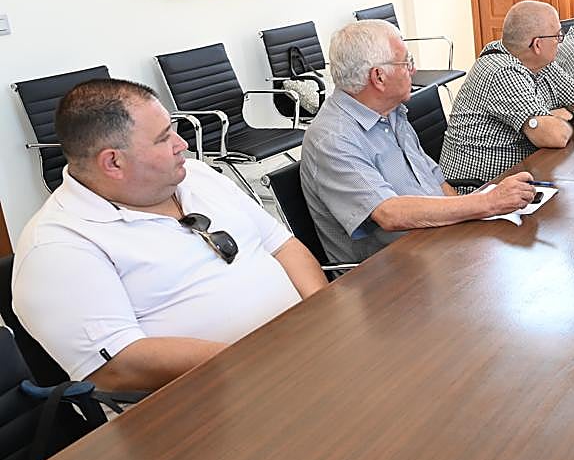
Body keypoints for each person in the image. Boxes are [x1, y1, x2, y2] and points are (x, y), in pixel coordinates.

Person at [10, 79, 326, 392]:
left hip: (298, 357)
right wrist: (260, 361)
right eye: (163, 138)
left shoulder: (198, 176)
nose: (182, 144)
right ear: (113, 162)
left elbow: (283, 246)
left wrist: (324, 316)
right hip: (210, 398)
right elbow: (119, 367)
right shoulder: (56, 247)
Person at [300, 20, 537, 263]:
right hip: (390, 270)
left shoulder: (391, 111)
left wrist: (471, 223)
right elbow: (388, 213)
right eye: (407, 63)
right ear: (379, 77)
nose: (413, 71)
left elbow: (436, 181)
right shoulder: (332, 138)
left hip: (437, 243)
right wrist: (487, 203)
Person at [440, 0, 574, 184]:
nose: (560, 42)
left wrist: (563, 114)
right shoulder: (501, 71)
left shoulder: (542, 63)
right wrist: (558, 120)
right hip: (480, 188)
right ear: (537, 45)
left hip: (524, 175)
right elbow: (556, 136)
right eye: (558, 36)